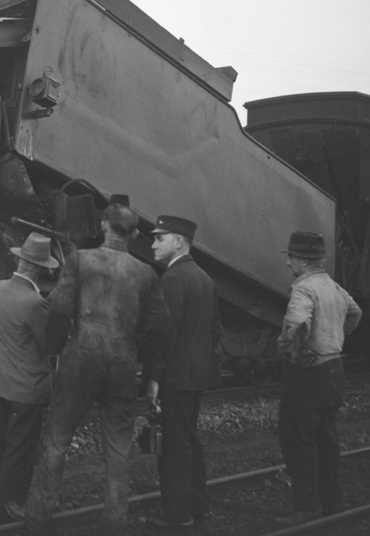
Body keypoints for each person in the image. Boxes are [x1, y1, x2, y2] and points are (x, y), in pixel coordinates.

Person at [25, 198, 168, 535]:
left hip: (81, 358)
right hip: (122, 363)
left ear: (104, 225)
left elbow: (59, 310)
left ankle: (38, 518)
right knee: (118, 444)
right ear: (134, 235)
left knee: (56, 438)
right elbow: (159, 328)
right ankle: (115, 520)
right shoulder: (146, 273)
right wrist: (147, 370)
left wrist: (52, 350)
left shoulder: (80, 261)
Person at [274, 231, 361, 524]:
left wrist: (293, 352)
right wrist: (336, 338)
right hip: (334, 371)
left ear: (301, 260)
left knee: (299, 440)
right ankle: (332, 503)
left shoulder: (303, 289)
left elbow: (296, 325)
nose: (288, 264)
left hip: (308, 375)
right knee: (327, 439)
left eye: (290, 258)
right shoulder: (333, 287)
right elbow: (355, 312)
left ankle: (305, 508)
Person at [146, 215, 221, 529]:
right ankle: (198, 505)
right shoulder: (204, 277)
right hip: (195, 375)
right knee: (189, 440)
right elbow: (215, 332)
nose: (153, 244)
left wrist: (152, 379)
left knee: (174, 446)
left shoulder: (173, 279)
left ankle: (178, 515)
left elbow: (164, 334)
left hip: (175, 376)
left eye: (159, 238)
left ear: (178, 240)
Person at [0, 232, 59, 524]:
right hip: (26, 390)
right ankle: (4, 509)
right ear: (42, 268)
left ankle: (6, 500)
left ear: (20, 259)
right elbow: (50, 345)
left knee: (4, 448)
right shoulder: (34, 302)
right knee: (20, 452)